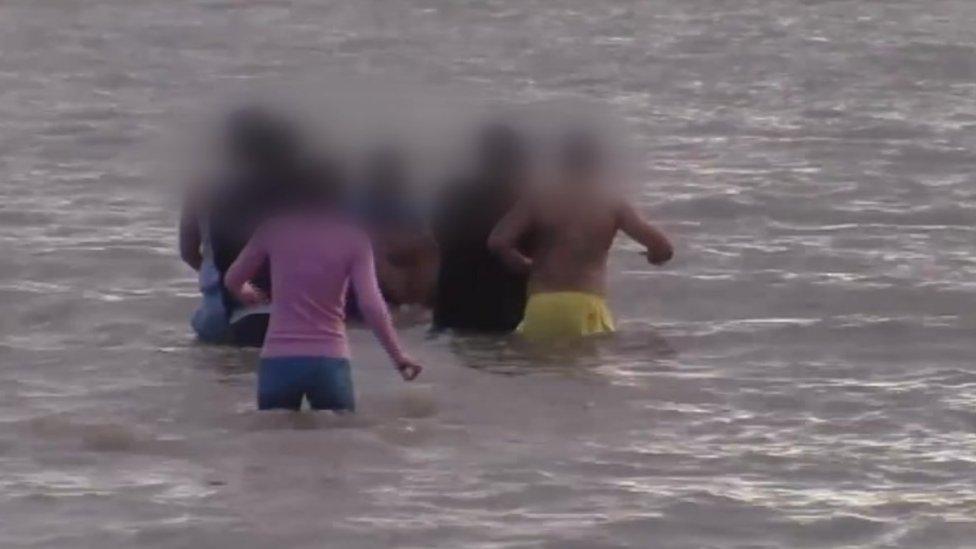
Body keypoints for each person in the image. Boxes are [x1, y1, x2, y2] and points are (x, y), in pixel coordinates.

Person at [223, 165, 422, 412]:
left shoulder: (272, 231)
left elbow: (232, 279)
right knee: (340, 440)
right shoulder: (354, 240)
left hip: (278, 359)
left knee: (273, 441)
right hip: (329, 360)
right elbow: (371, 304)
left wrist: (246, 292)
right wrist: (398, 356)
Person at [488, 129, 673, 342]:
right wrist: (653, 256)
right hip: (586, 305)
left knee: (538, 371)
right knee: (582, 373)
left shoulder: (539, 198)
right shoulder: (611, 203)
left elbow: (498, 242)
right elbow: (663, 248)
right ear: (597, 165)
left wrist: (525, 265)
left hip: (542, 304)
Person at [179, 107, 301, 346]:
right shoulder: (293, 189)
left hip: (225, 312)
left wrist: (218, 276)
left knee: (221, 365)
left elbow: (188, 252)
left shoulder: (203, 187)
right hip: (294, 313)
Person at [430, 123, 533, 333]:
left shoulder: (451, 193)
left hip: (451, 304)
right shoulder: (521, 198)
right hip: (505, 309)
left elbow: (437, 237)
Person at [350, 146, 438, 309]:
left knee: (428, 254)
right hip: (372, 254)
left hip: (402, 250)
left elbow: (424, 234)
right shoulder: (358, 203)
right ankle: (403, 302)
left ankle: (417, 304)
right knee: (375, 257)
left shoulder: (408, 203)